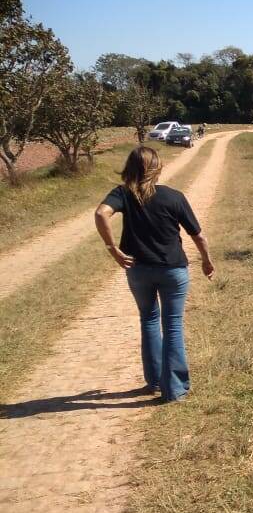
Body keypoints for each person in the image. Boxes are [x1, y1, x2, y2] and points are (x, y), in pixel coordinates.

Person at [94, 146, 215, 401]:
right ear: (157, 168)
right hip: (173, 270)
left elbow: (100, 213)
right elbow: (198, 235)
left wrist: (112, 248)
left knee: (148, 320)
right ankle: (175, 389)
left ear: (130, 168)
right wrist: (206, 261)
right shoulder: (174, 197)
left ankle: (155, 381)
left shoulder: (124, 194)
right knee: (172, 325)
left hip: (138, 269)